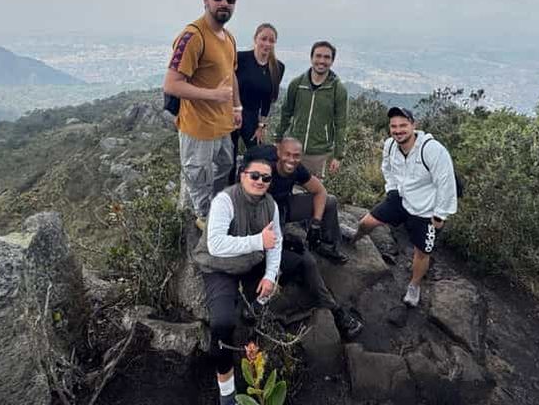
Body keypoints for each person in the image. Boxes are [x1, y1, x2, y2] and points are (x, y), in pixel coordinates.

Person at [195, 158, 363, 405]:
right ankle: (227, 394)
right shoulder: (225, 201)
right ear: (242, 175)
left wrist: (270, 276)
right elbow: (216, 245)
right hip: (221, 268)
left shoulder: (269, 204)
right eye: (254, 176)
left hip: (253, 262)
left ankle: (326, 310)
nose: (260, 182)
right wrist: (258, 241)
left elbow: (276, 244)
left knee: (303, 263)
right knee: (222, 324)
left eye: (266, 178)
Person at [345, 107, 457, 307]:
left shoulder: (431, 150)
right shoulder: (390, 145)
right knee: (366, 222)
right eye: (394, 126)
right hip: (401, 199)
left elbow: (446, 183)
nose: (398, 130)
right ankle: (354, 238)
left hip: (426, 210)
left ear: (414, 125)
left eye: (403, 125)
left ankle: (414, 285)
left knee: (422, 251)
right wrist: (392, 189)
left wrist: (440, 215)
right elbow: (387, 168)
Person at [163, 0, 242, 230]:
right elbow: (172, 84)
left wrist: (236, 107)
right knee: (198, 174)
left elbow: (231, 75)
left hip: (222, 124)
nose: (224, 2)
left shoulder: (228, 38)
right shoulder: (193, 36)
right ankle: (204, 217)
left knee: (225, 166)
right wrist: (213, 95)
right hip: (197, 127)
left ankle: (217, 207)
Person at [243, 138, 348, 263]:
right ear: (279, 154)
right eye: (287, 155)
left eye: (296, 156)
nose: (291, 160)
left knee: (330, 201)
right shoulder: (262, 170)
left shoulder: (297, 168)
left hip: (284, 205)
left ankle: (326, 245)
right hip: (261, 211)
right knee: (272, 252)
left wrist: (315, 224)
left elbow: (320, 191)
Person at [276, 41, 348, 178]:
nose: (322, 61)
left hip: (319, 153)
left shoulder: (338, 89)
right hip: (293, 149)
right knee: (285, 188)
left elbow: (341, 125)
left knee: (314, 193)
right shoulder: (297, 84)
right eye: (318, 56)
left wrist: (338, 156)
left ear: (332, 61)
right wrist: (278, 139)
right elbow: (285, 114)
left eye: (327, 57)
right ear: (311, 58)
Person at [228, 23, 285, 184]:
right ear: (255, 39)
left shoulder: (278, 67)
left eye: (271, 40)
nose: (267, 43)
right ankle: (228, 194)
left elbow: (268, 99)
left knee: (259, 157)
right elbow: (228, 84)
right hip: (231, 113)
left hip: (252, 118)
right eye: (263, 39)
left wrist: (261, 126)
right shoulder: (240, 58)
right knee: (228, 159)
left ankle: (251, 188)